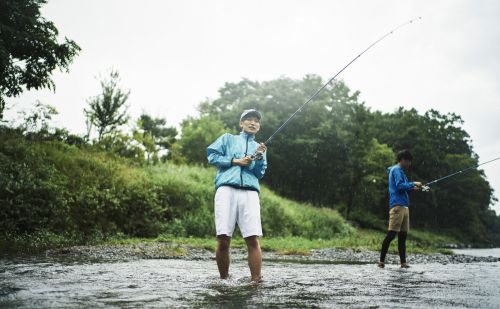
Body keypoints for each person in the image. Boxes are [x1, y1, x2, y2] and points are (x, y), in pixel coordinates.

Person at [206, 109, 267, 282]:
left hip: (250, 193)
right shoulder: (227, 138)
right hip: (226, 190)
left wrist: (260, 158)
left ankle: (256, 282)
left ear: (259, 126)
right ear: (241, 123)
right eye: (248, 119)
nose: (253, 122)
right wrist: (235, 161)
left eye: (256, 120)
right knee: (223, 238)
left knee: (252, 239)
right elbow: (211, 156)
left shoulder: (260, 148)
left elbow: (259, 173)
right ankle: (224, 280)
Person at [378, 149, 422, 268]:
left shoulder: (400, 171)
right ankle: (381, 261)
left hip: (404, 206)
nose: (409, 164)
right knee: (391, 234)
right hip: (397, 206)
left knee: (402, 236)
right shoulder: (396, 170)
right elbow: (399, 186)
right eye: (408, 161)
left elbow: (403, 187)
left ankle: (403, 263)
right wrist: (413, 183)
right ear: (402, 160)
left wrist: (413, 188)